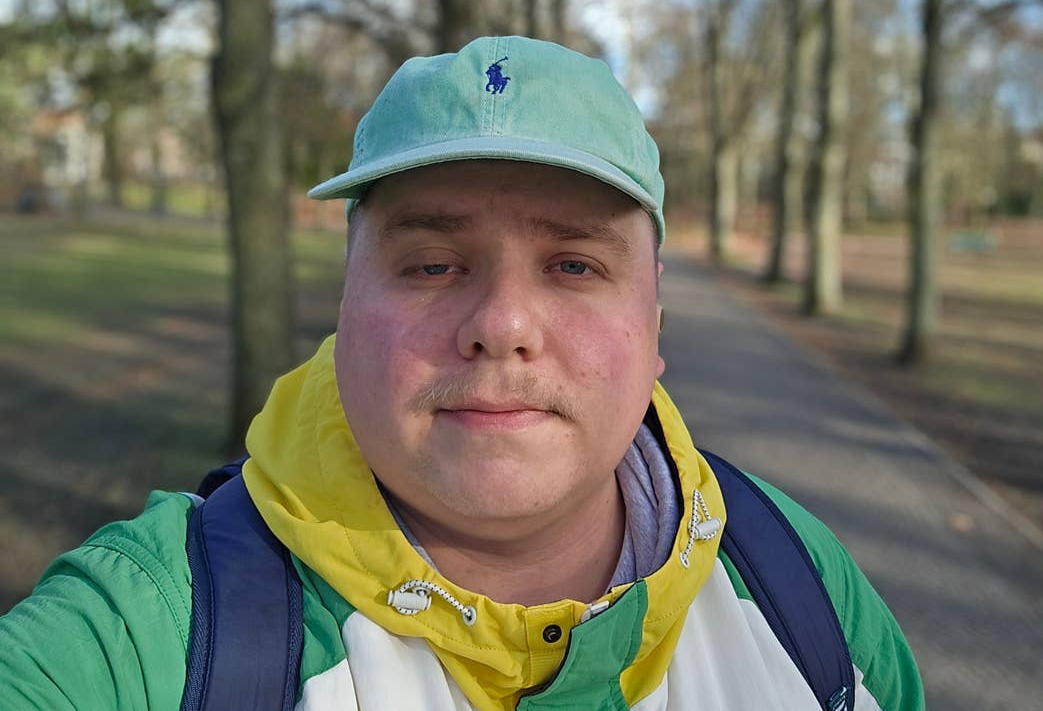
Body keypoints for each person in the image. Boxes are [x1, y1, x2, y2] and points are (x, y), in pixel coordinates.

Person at [0, 36, 923, 710]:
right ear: (346, 308)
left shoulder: (797, 583)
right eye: (433, 264)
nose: (501, 326)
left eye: (574, 265)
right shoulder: (154, 629)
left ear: (654, 330)